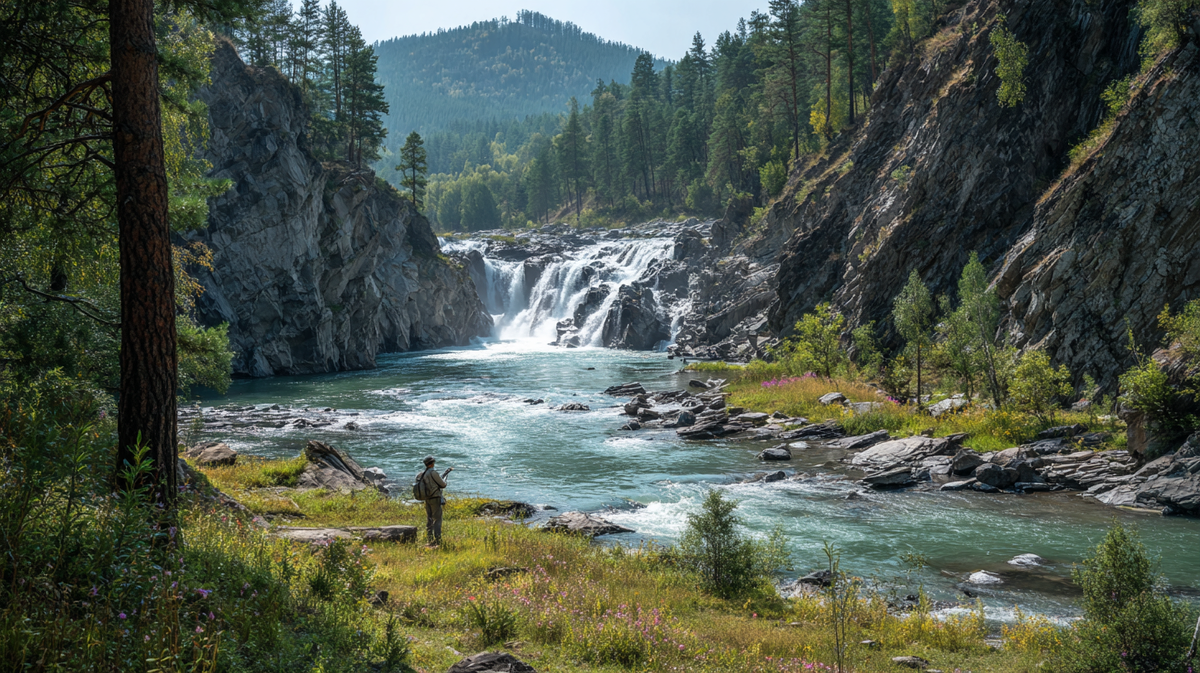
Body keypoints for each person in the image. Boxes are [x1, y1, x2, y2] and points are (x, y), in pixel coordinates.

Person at [417, 455, 451, 547]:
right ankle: (438, 540)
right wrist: (445, 480)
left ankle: (429, 538)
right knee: (437, 519)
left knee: (429, 519)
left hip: (427, 498)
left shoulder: (422, 474)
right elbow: (443, 485)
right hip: (435, 498)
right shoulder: (433, 473)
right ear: (432, 464)